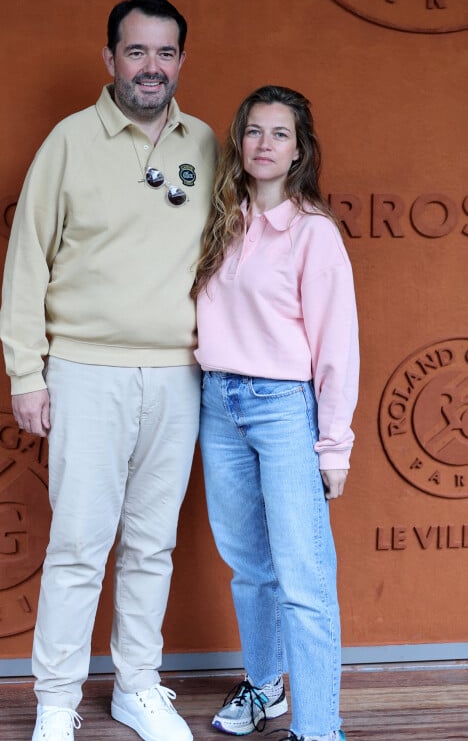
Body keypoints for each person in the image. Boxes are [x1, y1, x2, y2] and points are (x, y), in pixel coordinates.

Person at [0, 0, 217, 741]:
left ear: (181, 62)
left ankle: (137, 685)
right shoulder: (68, 141)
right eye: (135, 51)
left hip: (178, 375)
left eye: (164, 53)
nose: (150, 67)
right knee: (79, 544)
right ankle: (56, 700)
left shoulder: (209, 145)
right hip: (84, 369)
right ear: (110, 59)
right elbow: (27, 259)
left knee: (151, 543)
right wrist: (27, 372)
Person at [192, 85, 359, 741]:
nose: (264, 144)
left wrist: (334, 446)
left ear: (299, 150)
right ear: (240, 141)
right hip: (217, 403)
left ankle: (318, 728)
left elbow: (336, 346)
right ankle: (265, 687)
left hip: (284, 408)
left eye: (279, 133)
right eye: (254, 131)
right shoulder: (219, 220)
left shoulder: (312, 233)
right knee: (250, 567)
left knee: (303, 576)